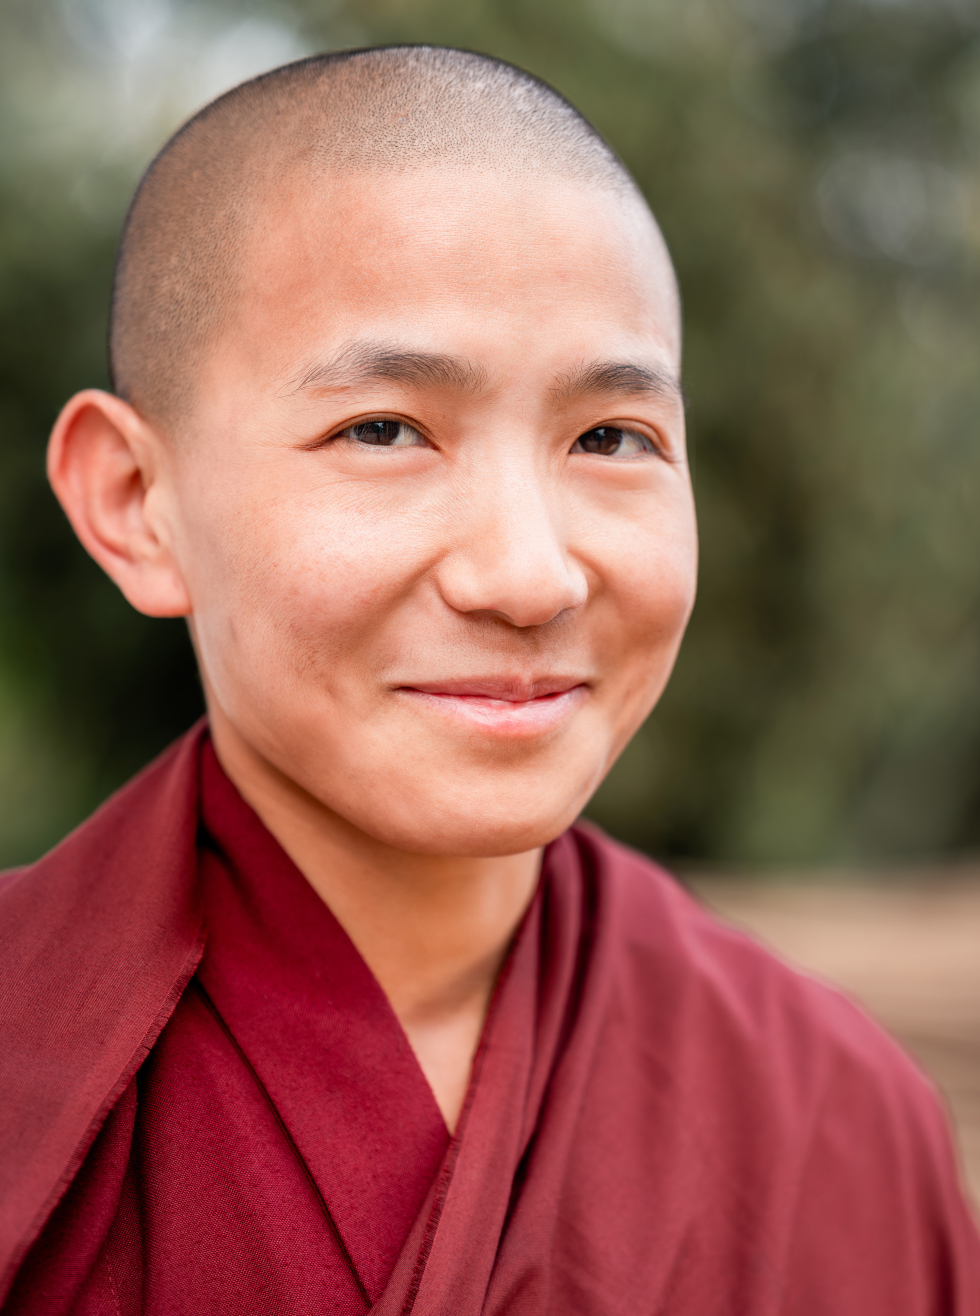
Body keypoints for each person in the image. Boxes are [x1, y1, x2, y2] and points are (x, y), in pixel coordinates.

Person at [0, 45, 977, 1315]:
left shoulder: (830, 1119)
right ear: (137, 501)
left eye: (611, 436)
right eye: (383, 429)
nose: (528, 575)